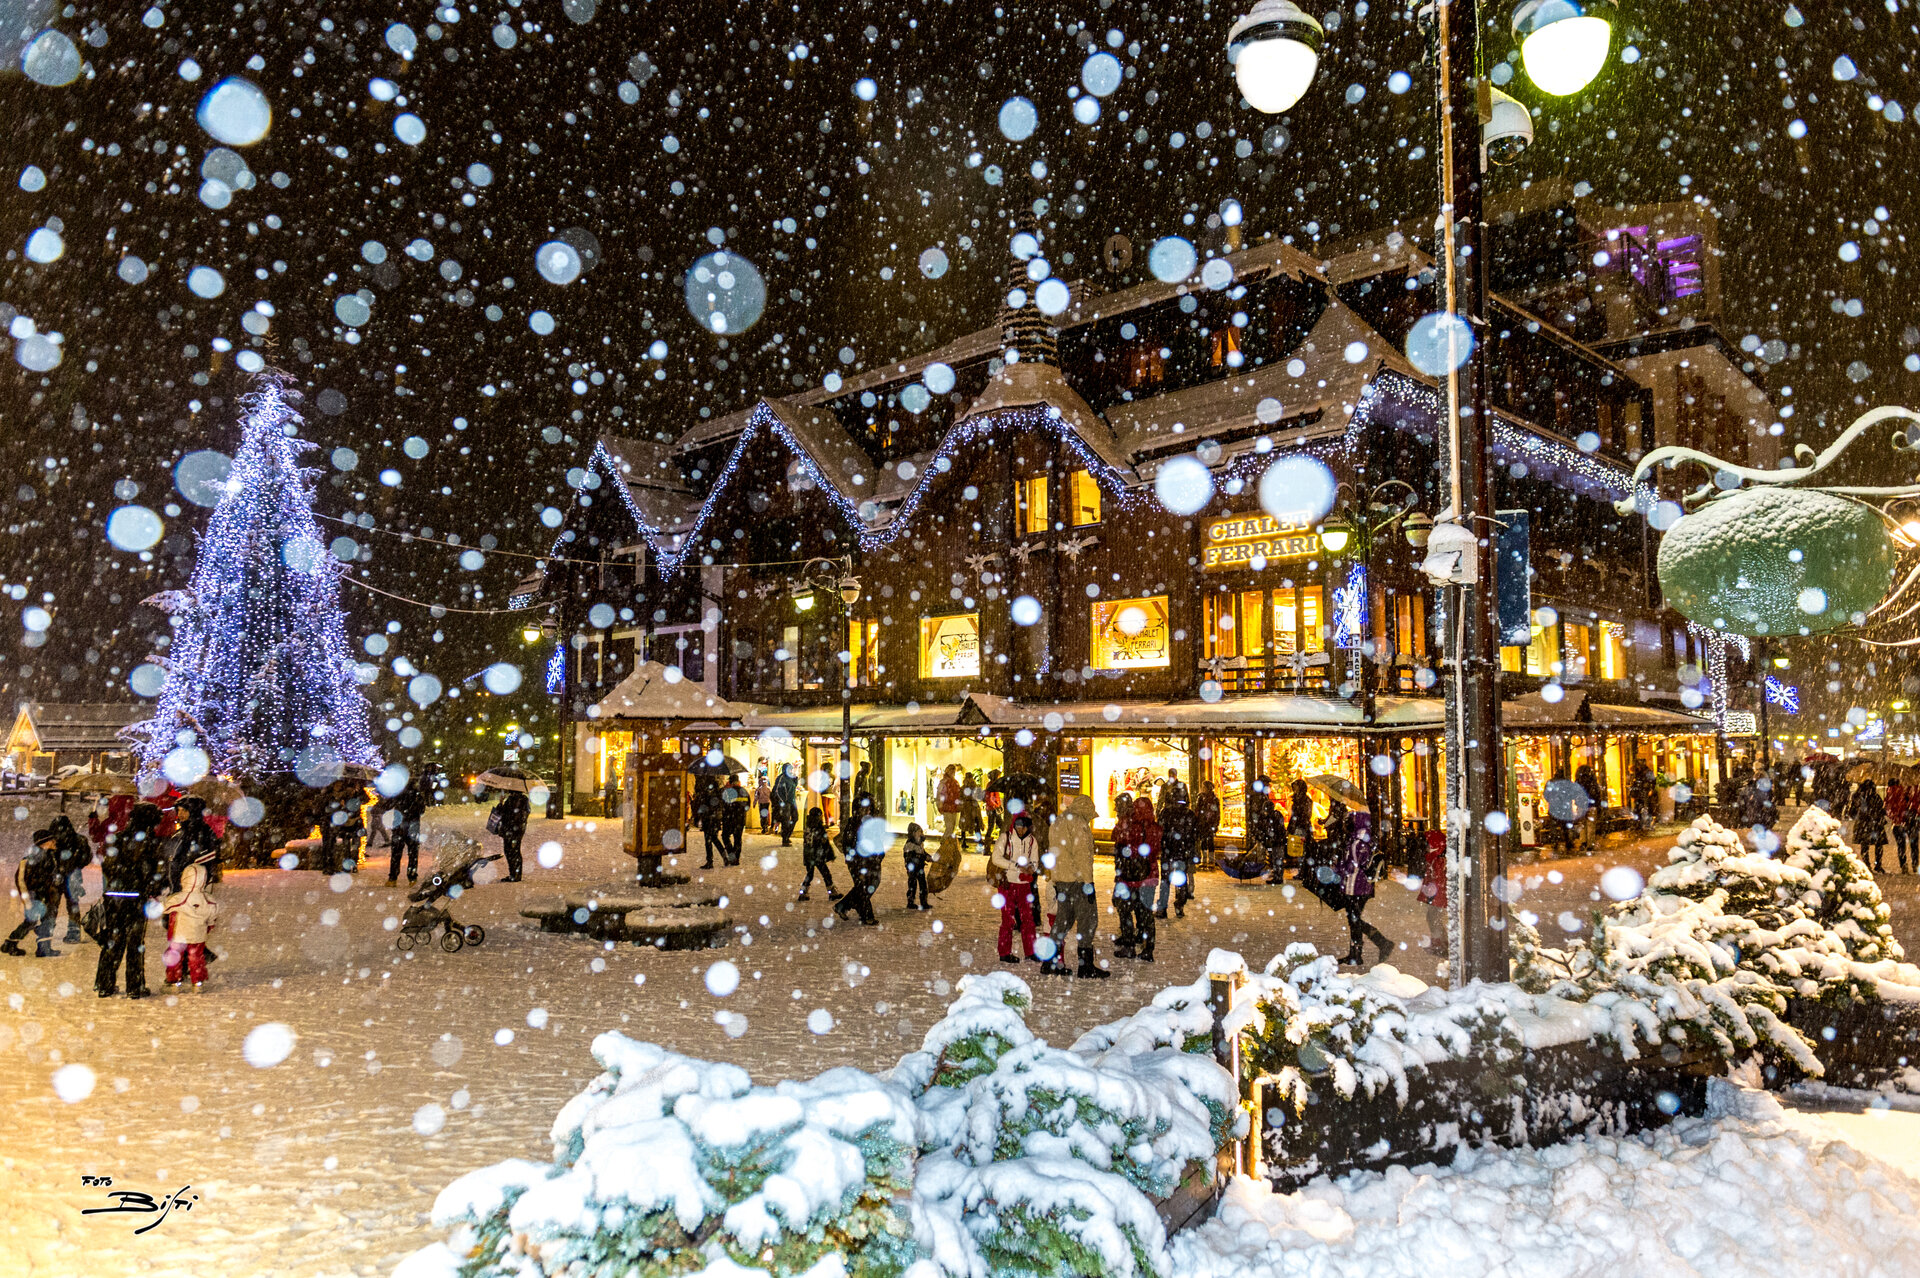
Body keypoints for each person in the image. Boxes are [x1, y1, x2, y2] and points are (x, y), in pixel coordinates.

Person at [96, 801, 164, 998]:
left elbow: (107, 866)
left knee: (113, 940)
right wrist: (152, 890)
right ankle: (135, 986)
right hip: (136, 897)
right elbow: (153, 872)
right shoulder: (150, 842)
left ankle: (105, 984)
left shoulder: (117, 839)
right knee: (135, 942)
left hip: (114, 896)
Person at [1041, 794, 1108, 979]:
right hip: (1078, 881)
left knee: (1063, 920)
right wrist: (1089, 883)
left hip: (1061, 880)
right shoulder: (1078, 823)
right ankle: (1085, 966)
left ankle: (1050, 962)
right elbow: (1082, 855)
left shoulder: (1058, 821)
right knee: (1088, 921)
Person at [1336, 811, 1393, 967]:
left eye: (1349, 821)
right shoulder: (1362, 839)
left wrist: (1338, 870)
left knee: (1355, 920)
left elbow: (1353, 865)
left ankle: (1382, 943)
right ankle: (1355, 955)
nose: (1346, 824)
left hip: (1355, 887)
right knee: (1354, 920)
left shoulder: (1358, 842)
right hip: (1361, 887)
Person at [162, 840, 218, 989]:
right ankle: (197, 982)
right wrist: (210, 923)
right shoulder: (208, 899)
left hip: (179, 934)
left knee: (175, 956)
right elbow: (213, 913)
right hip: (198, 934)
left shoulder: (180, 898)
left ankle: (174, 982)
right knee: (196, 958)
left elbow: (166, 907)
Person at [4, 829, 65, 958]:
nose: (54, 842)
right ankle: (11, 943)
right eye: (51, 839)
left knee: (47, 921)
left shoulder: (50, 856)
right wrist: (27, 899)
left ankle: (43, 948)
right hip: (36, 896)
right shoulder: (30, 859)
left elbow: (51, 876)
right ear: (44, 842)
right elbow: (21, 879)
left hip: (47, 895)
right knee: (31, 921)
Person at [1111, 797, 1159, 962]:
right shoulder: (1155, 828)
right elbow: (1156, 850)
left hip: (1130, 877)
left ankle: (1129, 945)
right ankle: (1148, 949)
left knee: (1125, 910)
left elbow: (1119, 841)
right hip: (1150, 876)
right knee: (1146, 913)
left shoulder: (1130, 827)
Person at [990, 812, 1041, 963]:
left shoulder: (1032, 841)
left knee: (1028, 919)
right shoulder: (1005, 838)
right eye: (1018, 825)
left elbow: (1035, 861)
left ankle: (1030, 951)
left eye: (1024, 826)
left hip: (1024, 885)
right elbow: (996, 858)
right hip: (1007, 884)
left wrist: (1031, 868)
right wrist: (1016, 866)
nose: (1021, 829)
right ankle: (1005, 952)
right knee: (1008, 919)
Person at [833, 792, 881, 926]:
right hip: (859, 861)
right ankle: (866, 915)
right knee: (863, 887)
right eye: (864, 808)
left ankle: (844, 906)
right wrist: (854, 859)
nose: (867, 811)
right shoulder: (853, 824)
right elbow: (849, 844)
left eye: (869, 808)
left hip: (872, 860)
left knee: (871, 884)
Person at [46, 812, 92, 944]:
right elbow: (87, 857)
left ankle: (47, 932)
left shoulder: (52, 841)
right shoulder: (79, 840)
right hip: (73, 877)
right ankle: (73, 933)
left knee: (52, 906)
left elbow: (45, 858)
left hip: (55, 876)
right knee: (73, 905)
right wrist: (75, 866)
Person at [1157, 789, 1200, 919]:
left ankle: (1163, 908)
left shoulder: (1166, 813)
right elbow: (1194, 835)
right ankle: (1179, 904)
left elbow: (1160, 831)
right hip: (1181, 852)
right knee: (1181, 880)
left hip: (1169, 851)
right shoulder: (1189, 814)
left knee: (1165, 881)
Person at [389, 772, 427, 885]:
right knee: (413, 854)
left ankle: (393, 878)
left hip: (399, 827)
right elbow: (421, 811)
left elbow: (388, 805)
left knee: (396, 853)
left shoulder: (398, 794)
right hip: (413, 827)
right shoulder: (417, 795)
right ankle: (412, 878)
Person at [797, 808, 840, 902]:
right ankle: (832, 892)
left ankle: (803, 892)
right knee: (826, 874)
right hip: (817, 856)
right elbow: (824, 843)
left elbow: (807, 843)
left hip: (809, 855)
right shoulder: (819, 828)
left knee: (810, 874)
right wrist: (829, 854)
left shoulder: (808, 827)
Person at [1418, 829, 1448, 959]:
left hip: (1436, 895)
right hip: (1435, 894)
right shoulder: (1435, 856)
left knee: (1433, 918)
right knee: (1434, 918)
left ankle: (1440, 944)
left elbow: (1438, 879)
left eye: (1429, 842)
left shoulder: (1439, 858)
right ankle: (1442, 943)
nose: (1427, 845)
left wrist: (1432, 895)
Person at [1850, 778, 1889, 873]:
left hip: (1863, 824)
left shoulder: (1857, 797)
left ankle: (1867, 864)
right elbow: (1882, 810)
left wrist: (1858, 815)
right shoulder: (1875, 796)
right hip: (1876, 823)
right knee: (1878, 845)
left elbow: (1851, 812)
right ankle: (1878, 864)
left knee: (1864, 846)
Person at [492, 788, 530, 881]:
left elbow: (508, 815)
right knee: (512, 851)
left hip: (512, 830)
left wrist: (503, 806)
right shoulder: (520, 800)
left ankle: (515, 875)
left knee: (512, 851)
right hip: (514, 830)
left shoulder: (516, 800)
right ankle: (514, 874)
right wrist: (501, 803)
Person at [692, 777, 723, 869]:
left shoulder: (706, 794)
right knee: (714, 838)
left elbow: (702, 806)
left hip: (708, 818)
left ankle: (710, 861)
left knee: (708, 840)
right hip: (715, 819)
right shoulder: (718, 793)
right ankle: (725, 856)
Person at [1573, 761, 1604, 852]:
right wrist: (1597, 805)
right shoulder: (1593, 782)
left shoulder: (1578, 782)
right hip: (1592, 806)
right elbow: (1597, 794)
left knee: (1582, 825)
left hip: (1581, 806)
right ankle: (1590, 844)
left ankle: (1583, 842)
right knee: (1591, 825)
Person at [720, 775, 750, 867]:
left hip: (729, 819)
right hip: (740, 820)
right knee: (738, 839)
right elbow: (747, 806)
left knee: (725, 836)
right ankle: (736, 858)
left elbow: (724, 806)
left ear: (731, 782)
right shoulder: (744, 791)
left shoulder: (728, 792)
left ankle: (731, 854)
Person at [936, 764, 964, 857]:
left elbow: (958, 794)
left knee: (952, 828)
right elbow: (939, 795)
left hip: (953, 808)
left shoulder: (954, 782)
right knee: (949, 827)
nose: (953, 772)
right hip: (947, 807)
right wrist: (940, 806)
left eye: (953, 771)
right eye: (951, 770)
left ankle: (947, 845)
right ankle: (944, 843)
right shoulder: (944, 782)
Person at [902, 821, 931, 910]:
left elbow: (922, 853)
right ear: (914, 833)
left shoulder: (919, 843)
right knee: (912, 885)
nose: (921, 833)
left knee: (923, 884)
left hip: (920, 867)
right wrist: (913, 863)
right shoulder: (910, 844)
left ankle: (924, 902)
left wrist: (928, 857)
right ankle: (910, 902)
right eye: (919, 831)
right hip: (913, 868)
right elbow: (908, 857)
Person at [771, 764, 800, 847]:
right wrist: (782, 801)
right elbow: (776, 791)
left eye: (791, 769)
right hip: (785, 802)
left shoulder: (791, 777)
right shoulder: (781, 778)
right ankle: (785, 839)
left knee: (795, 818)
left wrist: (795, 779)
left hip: (792, 801)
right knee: (785, 820)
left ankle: (787, 835)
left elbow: (794, 786)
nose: (790, 771)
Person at [1195, 779, 1221, 868]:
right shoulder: (1201, 798)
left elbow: (1216, 812)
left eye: (1204, 787)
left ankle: (1211, 860)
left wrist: (1216, 822)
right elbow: (1197, 810)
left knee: (1210, 841)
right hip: (1203, 822)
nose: (1203, 789)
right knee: (1203, 840)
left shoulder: (1213, 799)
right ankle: (1204, 859)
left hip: (1210, 822)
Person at [1630, 761, 1658, 831]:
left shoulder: (1643, 773)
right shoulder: (1642, 773)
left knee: (1643, 808)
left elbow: (1637, 784)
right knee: (1642, 808)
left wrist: (1650, 789)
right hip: (1642, 792)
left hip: (1644, 792)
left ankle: (1642, 824)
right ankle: (1641, 824)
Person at [983, 769, 1005, 847]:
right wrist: (996, 806)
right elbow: (990, 798)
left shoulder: (993, 784)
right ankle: (988, 845)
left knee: (998, 825)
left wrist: (998, 805)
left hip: (993, 808)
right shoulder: (992, 785)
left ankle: (991, 844)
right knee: (992, 826)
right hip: (992, 809)